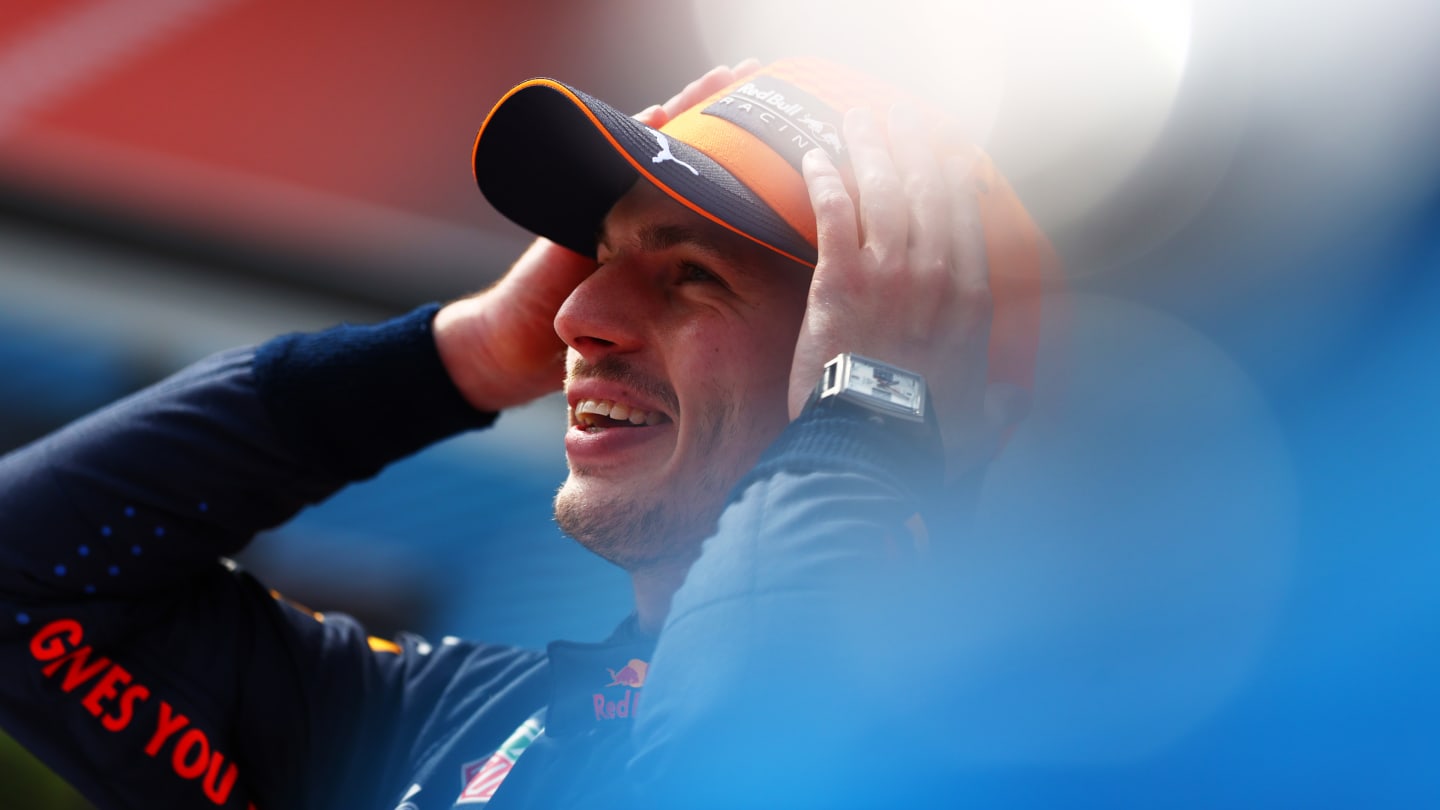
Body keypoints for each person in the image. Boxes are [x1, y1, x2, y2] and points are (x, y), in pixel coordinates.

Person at [0, 57, 1053, 810]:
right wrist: (461, 354)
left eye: (692, 275)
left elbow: (733, 752)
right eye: (597, 256)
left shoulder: (1030, 747)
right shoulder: (430, 724)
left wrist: (862, 423)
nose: (575, 318)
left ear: (923, 381)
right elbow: (25, 582)